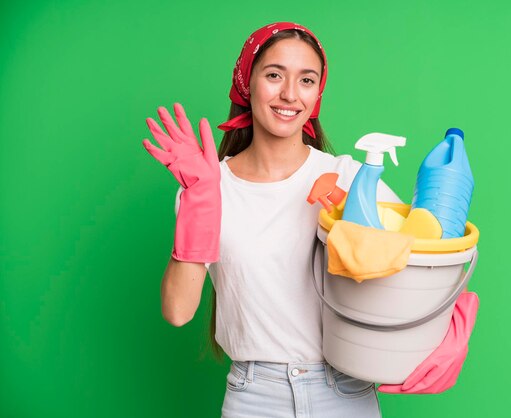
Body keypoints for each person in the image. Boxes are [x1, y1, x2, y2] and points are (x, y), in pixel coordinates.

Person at [143, 22, 402, 418]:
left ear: (317, 93)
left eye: (307, 80)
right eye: (274, 75)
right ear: (248, 82)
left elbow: (422, 258)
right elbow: (178, 311)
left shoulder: (350, 178)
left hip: (346, 393)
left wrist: (453, 320)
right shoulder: (209, 187)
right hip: (254, 397)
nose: (289, 95)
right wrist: (201, 202)